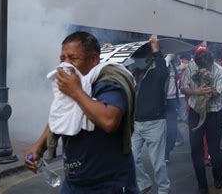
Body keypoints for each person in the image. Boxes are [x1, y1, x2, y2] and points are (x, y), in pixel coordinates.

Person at [24, 31, 138, 193]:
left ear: (93, 59)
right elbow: (61, 114)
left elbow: (109, 121)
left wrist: (76, 91)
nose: (66, 65)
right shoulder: (71, 85)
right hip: (74, 182)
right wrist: (39, 145)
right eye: (62, 59)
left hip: (109, 183)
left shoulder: (108, 82)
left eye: (73, 59)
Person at [181, 48, 222, 193]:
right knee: (196, 149)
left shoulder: (220, 71)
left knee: (214, 151)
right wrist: (197, 91)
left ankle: (217, 174)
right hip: (196, 111)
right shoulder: (191, 67)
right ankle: (202, 184)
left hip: (213, 113)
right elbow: (183, 88)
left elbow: (218, 93)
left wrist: (210, 90)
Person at [130, 38, 170, 194]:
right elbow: (117, 69)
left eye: (140, 58)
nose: (137, 61)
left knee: (158, 163)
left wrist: (155, 49)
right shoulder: (133, 73)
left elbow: (163, 70)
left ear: (149, 58)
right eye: (135, 59)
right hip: (136, 124)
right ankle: (144, 182)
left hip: (155, 123)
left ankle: (164, 189)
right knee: (130, 158)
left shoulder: (157, 73)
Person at [165, 53, 180, 163]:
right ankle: (164, 155)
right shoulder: (160, 65)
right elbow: (160, 73)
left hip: (173, 101)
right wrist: (167, 59)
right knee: (162, 130)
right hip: (162, 101)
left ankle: (167, 151)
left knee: (172, 130)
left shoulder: (173, 66)